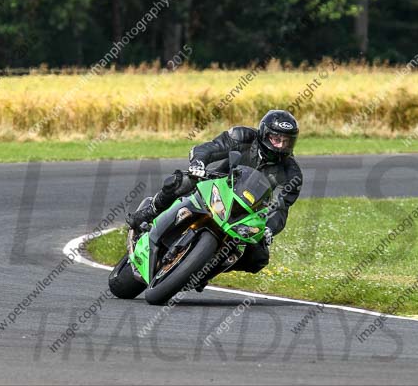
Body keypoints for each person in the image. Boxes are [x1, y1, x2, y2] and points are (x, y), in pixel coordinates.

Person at [127, 109, 303, 277]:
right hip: (217, 186)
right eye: (276, 139)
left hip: (245, 212)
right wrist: (199, 163)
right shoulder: (242, 137)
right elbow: (210, 148)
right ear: (265, 134)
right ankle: (149, 211)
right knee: (181, 181)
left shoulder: (291, 173)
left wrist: (269, 228)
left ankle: (205, 269)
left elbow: (281, 208)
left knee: (259, 257)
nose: (280, 145)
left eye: (286, 141)